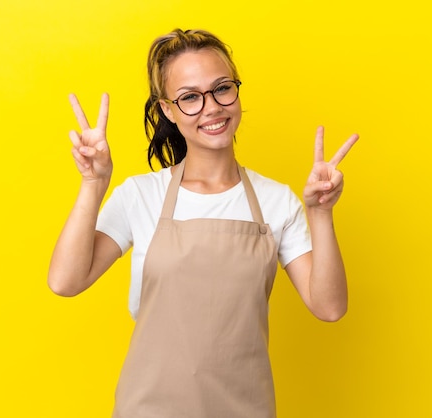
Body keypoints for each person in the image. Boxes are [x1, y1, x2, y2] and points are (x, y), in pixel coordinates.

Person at [48, 28, 358, 418]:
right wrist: (93, 185)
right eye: (190, 97)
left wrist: (321, 214)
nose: (211, 107)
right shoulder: (141, 195)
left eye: (222, 88)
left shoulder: (276, 201)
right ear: (167, 110)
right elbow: (65, 281)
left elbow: (329, 307)